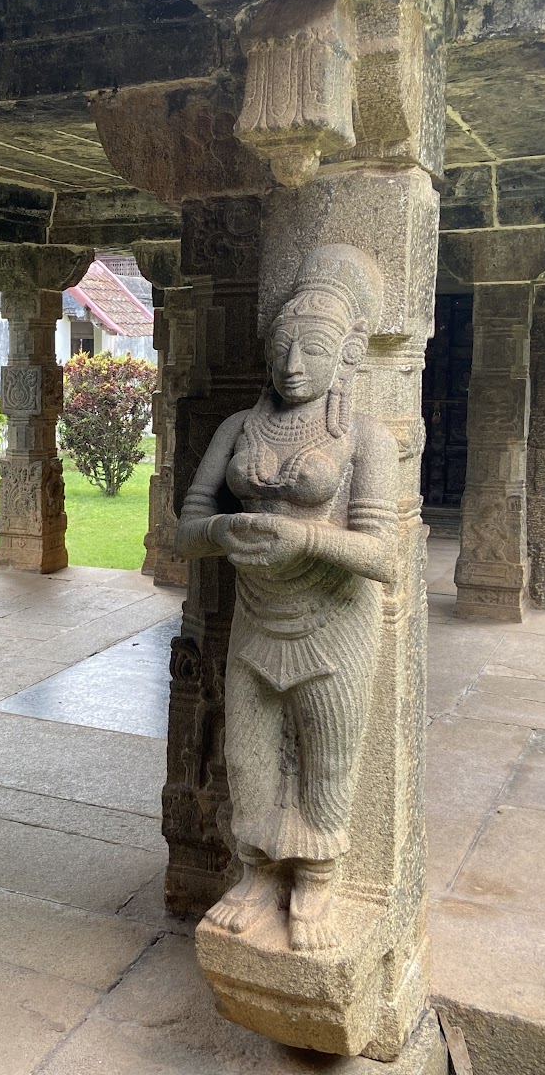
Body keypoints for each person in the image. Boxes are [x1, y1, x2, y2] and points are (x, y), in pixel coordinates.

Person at [176, 243, 399, 952]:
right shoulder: (238, 429)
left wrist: (305, 539)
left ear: (347, 356)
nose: (293, 364)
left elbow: (384, 557)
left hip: (334, 625)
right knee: (247, 761)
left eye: (313, 350)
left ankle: (317, 879)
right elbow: (186, 529)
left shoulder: (365, 438)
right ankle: (257, 873)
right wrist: (224, 530)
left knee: (328, 761)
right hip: (256, 617)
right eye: (281, 349)